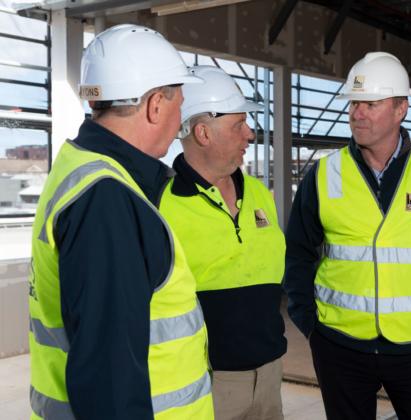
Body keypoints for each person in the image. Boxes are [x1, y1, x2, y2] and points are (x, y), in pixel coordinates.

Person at [27, 24, 213, 420]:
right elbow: (108, 378)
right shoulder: (107, 199)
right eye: (179, 101)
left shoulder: (85, 170)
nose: (181, 118)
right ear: (155, 106)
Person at [284, 51, 411, 420]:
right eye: (354, 104)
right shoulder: (324, 175)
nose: (357, 114)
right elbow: (296, 254)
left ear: (400, 109)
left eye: (371, 104)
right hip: (339, 346)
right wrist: (312, 325)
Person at [159, 66, 287, 420]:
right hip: (207, 381)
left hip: (270, 374)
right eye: (239, 124)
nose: (250, 134)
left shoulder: (260, 193)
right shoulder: (161, 204)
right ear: (203, 133)